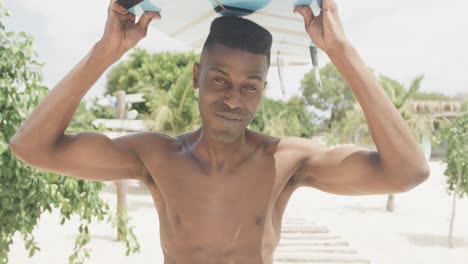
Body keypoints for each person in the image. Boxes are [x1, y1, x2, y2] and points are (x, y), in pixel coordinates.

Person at [8, 0, 429, 263]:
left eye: (250, 87)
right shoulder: (157, 158)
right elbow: (31, 147)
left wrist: (340, 49)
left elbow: (408, 172)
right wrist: (107, 52)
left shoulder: (287, 161)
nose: (233, 99)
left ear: (263, 90)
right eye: (219, 80)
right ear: (196, 75)